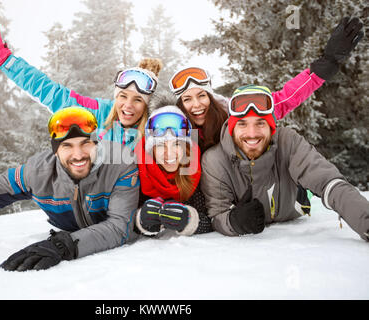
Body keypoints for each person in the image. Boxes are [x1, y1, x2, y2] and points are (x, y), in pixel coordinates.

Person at [0, 106, 141, 271]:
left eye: (85, 144)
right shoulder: (37, 172)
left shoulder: (120, 165)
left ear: (96, 143)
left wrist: (64, 245)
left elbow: (119, 227)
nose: (78, 155)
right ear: (55, 150)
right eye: (67, 146)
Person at [0, 15, 162, 150]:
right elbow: (49, 91)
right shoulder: (97, 113)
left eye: (137, 100)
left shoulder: (159, 126)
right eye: (123, 96)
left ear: (147, 104)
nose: (127, 105)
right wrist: (5, 59)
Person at [169, 17, 364, 153]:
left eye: (201, 95)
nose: (196, 105)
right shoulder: (171, 125)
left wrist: (322, 67)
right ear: (180, 104)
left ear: (210, 96)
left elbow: (283, 100)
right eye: (187, 99)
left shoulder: (232, 111)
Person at [201, 84, 369, 241]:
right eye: (242, 124)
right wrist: (234, 222)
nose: (252, 133)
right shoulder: (215, 160)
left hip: (293, 207)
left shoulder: (287, 142)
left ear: (271, 127)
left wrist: (365, 221)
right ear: (232, 128)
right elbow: (217, 214)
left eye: (260, 123)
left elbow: (329, 182)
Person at [133, 97, 212, 237]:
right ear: (151, 150)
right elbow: (122, 218)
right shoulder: (138, 171)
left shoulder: (196, 170)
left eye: (176, 144)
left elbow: (211, 218)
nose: (169, 153)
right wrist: (140, 220)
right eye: (160, 145)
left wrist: (189, 220)